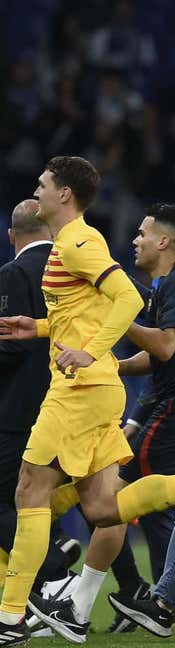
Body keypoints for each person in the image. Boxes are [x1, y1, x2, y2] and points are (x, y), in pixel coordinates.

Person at [0, 157, 175, 647]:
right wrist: (38, 327)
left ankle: (11, 616)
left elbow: (124, 297)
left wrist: (92, 350)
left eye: (42, 184)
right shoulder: (70, 242)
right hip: (95, 387)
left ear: (64, 195)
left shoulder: (78, 241)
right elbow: (87, 310)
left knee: (28, 490)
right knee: (103, 509)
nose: (34, 190)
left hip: (79, 389)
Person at [0, 201, 53, 586]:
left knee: (13, 498)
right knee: (95, 501)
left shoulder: (15, 272)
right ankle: (134, 581)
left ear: (10, 236)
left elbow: (12, 344)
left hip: (20, 408)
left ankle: (53, 576)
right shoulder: (72, 267)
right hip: (74, 398)